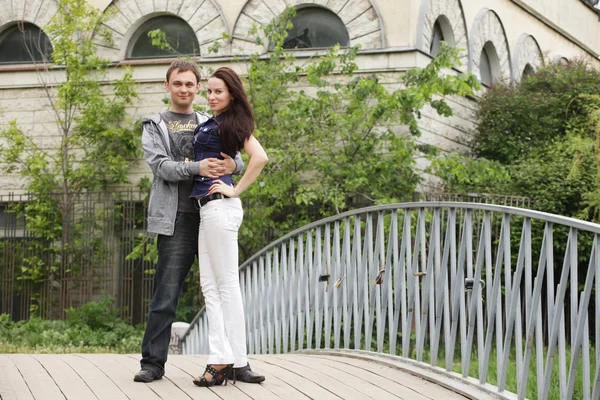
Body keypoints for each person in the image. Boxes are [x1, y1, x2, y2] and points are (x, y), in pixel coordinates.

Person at [135, 60, 265, 384]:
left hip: (212, 212)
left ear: (197, 87)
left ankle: (237, 362)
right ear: (168, 86)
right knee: (167, 294)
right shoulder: (156, 124)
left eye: (190, 84)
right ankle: (153, 363)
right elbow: (161, 167)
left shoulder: (212, 120)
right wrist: (198, 168)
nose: (185, 89)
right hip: (176, 218)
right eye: (178, 83)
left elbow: (235, 159)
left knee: (223, 288)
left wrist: (230, 176)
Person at [190, 67, 268, 387]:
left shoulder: (230, 123)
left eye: (217, 91)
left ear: (231, 94)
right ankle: (232, 360)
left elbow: (260, 157)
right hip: (206, 210)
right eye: (208, 91)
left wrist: (234, 188)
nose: (211, 96)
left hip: (220, 208)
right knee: (212, 288)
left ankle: (225, 360)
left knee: (226, 288)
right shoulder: (212, 121)